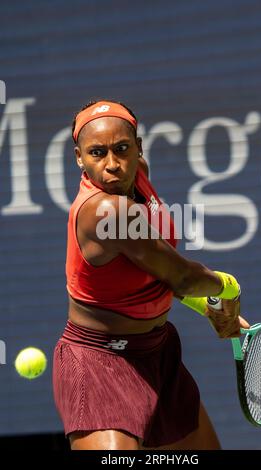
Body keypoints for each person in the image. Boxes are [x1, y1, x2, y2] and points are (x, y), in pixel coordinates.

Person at [52, 99, 249, 450]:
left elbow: (155, 272)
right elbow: (183, 276)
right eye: (97, 153)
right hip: (100, 363)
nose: (112, 164)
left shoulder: (138, 175)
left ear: (139, 148)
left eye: (122, 149)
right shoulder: (107, 210)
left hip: (157, 354)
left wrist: (207, 306)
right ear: (79, 158)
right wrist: (227, 290)